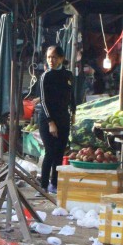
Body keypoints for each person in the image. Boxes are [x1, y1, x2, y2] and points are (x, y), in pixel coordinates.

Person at [38, 45, 75, 194]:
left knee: (60, 152)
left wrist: (74, 112)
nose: (51, 60)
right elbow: (43, 101)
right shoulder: (45, 76)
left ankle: (55, 184)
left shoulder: (69, 75)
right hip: (47, 119)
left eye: (54, 57)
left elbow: (71, 96)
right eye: (48, 57)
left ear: (61, 58)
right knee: (50, 152)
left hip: (63, 118)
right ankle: (43, 186)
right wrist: (50, 122)